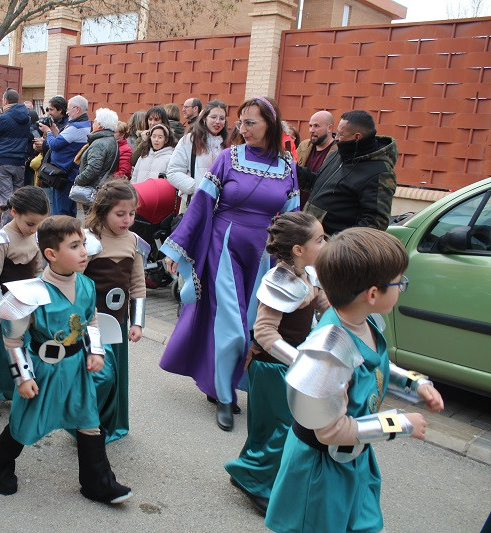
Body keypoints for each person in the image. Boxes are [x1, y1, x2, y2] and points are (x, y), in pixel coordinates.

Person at [265, 227, 444, 532]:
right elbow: (330, 431)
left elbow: (374, 364)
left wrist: (415, 383)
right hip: (321, 471)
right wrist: (401, 424)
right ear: (372, 294)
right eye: (399, 282)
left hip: (354, 454)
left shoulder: (364, 321)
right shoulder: (329, 350)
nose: (402, 287)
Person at [161, 96, 299, 432]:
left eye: (251, 122)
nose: (242, 128)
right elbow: (200, 207)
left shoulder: (287, 165)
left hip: (263, 254)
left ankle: (224, 382)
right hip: (224, 248)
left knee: (253, 325)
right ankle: (225, 396)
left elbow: (294, 218)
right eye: (241, 122)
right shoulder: (228, 158)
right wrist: (176, 249)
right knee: (231, 325)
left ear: (271, 123)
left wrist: (299, 261)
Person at [0, 215, 133, 504]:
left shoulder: (87, 285)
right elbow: (13, 339)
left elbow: (90, 322)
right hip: (43, 369)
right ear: (51, 254)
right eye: (75, 246)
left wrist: (96, 351)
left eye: (84, 245)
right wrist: (23, 377)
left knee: (88, 419)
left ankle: (98, 483)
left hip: (77, 369)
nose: (84, 252)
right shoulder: (29, 292)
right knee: (27, 422)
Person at [225, 212, 329, 516]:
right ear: (298, 249)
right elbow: (265, 332)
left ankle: (249, 470)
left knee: (274, 427)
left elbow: (325, 309)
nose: (326, 243)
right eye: (320, 239)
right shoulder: (279, 281)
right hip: (272, 367)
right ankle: (257, 484)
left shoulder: (309, 275)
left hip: (289, 365)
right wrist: (299, 360)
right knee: (278, 428)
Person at [0, 186, 49, 416]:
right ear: (14, 212)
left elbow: (38, 272)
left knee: (24, 349)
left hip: (25, 305)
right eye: (30, 223)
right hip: (2, 307)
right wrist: (1, 309)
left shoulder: (35, 237)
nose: (33, 229)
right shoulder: (1, 239)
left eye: (38, 224)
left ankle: (18, 390)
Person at [83, 180, 146, 442]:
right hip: (92, 322)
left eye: (131, 214)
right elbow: (75, 280)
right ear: (103, 210)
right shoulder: (88, 239)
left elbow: (138, 282)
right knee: (98, 374)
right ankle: (86, 423)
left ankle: (111, 424)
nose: (127, 220)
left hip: (120, 321)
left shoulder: (133, 240)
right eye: (120, 214)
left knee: (116, 373)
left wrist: (138, 322)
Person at [301, 110, 398, 235]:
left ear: (357, 137)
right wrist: (294, 169)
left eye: (340, 134)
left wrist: (338, 242)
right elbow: (316, 183)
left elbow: (376, 222)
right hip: (311, 237)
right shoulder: (339, 154)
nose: (336, 138)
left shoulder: (380, 172)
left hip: (335, 248)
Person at [0, 88, 31, 226]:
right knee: (17, 199)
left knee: (6, 200)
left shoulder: (3, 119)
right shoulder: (26, 118)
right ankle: (17, 228)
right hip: (19, 162)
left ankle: (6, 233)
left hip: (2, 162)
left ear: (5, 101)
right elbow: (12, 124)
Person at [166, 99, 228, 211]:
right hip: (193, 205)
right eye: (213, 117)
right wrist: (196, 187)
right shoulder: (189, 140)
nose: (218, 121)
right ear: (204, 118)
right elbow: (173, 172)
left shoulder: (227, 145)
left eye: (222, 118)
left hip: (220, 209)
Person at [39, 94, 91, 217]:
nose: (67, 112)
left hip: (64, 174)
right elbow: (63, 139)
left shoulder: (76, 127)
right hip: (69, 173)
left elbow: (55, 145)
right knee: (68, 210)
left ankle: (60, 234)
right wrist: (54, 128)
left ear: (77, 109)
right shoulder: (83, 124)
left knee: (61, 211)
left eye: (69, 108)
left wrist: (48, 131)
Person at [72, 108, 119, 206]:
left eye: (95, 120)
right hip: (101, 188)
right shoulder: (111, 140)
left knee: (91, 218)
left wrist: (77, 180)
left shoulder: (99, 144)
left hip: (92, 190)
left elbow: (93, 169)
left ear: (100, 125)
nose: (93, 123)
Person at [296, 111, 337, 207]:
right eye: (310, 126)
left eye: (316, 126)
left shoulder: (338, 152)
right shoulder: (304, 146)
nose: (311, 130)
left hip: (318, 211)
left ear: (329, 128)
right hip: (296, 210)